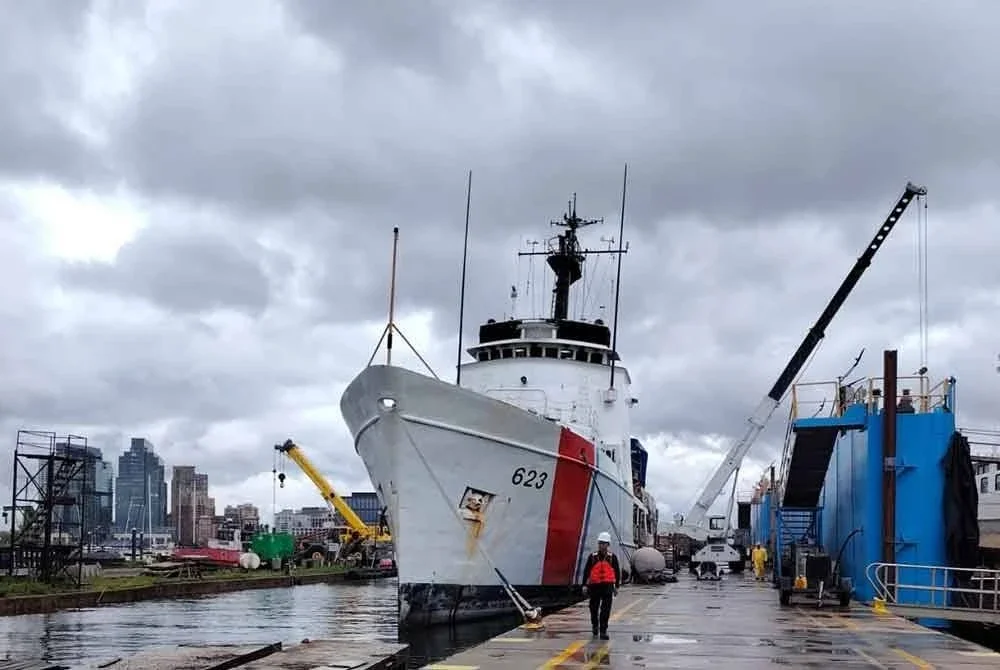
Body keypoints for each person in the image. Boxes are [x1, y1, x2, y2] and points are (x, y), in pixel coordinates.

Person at [582, 531, 620, 640]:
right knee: (593, 608)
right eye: (600, 543)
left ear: (608, 545)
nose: (602, 545)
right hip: (594, 587)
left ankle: (603, 631)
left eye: (604, 543)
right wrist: (584, 585)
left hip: (607, 587)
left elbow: (617, 572)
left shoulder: (612, 558)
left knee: (605, 610)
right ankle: (595, 625)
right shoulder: (592, 557)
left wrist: (616, 586)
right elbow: (587, 571)